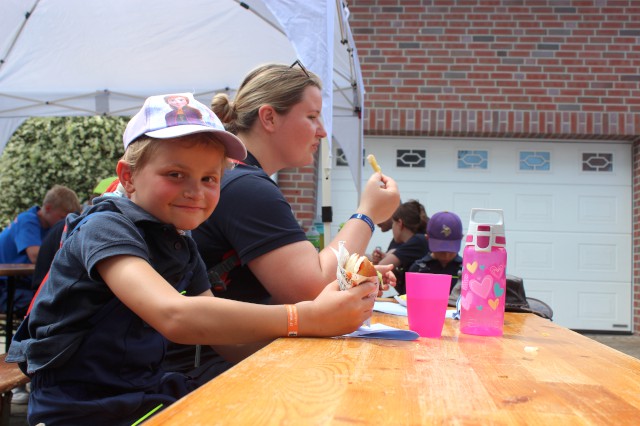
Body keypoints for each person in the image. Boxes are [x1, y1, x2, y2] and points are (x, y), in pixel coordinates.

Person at [6, 93, 378, 426]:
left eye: (209, 178)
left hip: (141, 397)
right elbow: (175, 316)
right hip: (79, 408)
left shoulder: (180, 244)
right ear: (128, 177)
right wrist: (304, 318)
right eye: (175, 174)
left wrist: (310, 342)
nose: (195, 192)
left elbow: (225, 341)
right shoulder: (106, 227)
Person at [192, 62, 399, 305]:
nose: (322, 131)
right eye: (312, 117)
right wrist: (368, 214)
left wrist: (353, 275)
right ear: (269, 118)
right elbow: (311, 292)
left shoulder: (237, 177)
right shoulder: (247, 188)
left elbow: (302, 273)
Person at [0, 184, 81, 313]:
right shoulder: (28, 220)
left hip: (20, 286)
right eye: (62, 218)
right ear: (47, 208)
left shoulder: (48, 226)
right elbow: (35, 256)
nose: (65, 223)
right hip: (6, 290)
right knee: (54, 306)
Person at [376, 199, 429, 295]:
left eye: (393, 224)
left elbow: (382, 266)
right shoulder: (416, 240)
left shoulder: (418, 241)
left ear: (399, 223)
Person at [409, 211, 463, 294]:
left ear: (461, 238)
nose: (446, 255)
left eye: (451, 250)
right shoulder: (418, 270)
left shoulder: (466, 271)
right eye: (441, 250)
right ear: (427, 238)